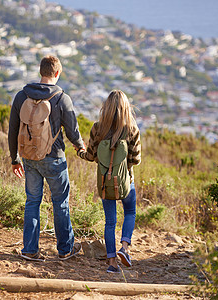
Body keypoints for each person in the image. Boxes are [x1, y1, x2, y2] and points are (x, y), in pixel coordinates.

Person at [8, 55, 86, 261]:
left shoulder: (21, 96)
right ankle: (65, 249)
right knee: (60, 203)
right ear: (57, 73)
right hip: (54, 158)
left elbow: (13, 130)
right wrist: (80, 146)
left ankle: (30, 250)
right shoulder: (62, 98)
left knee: (32, 201)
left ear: (41, 72)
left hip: (29, 157)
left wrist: (14, 158)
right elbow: (72, 131)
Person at [76, 90, 141, 273]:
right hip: (126, 182)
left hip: (105, 182)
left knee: (110, 222)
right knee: (130, 212)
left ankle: (112, 263)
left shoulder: (98, 128)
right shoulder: (132, 129)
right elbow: (136, 160)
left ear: (107, 107)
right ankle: (125, 248)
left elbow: (90, 156)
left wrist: (79, 150)